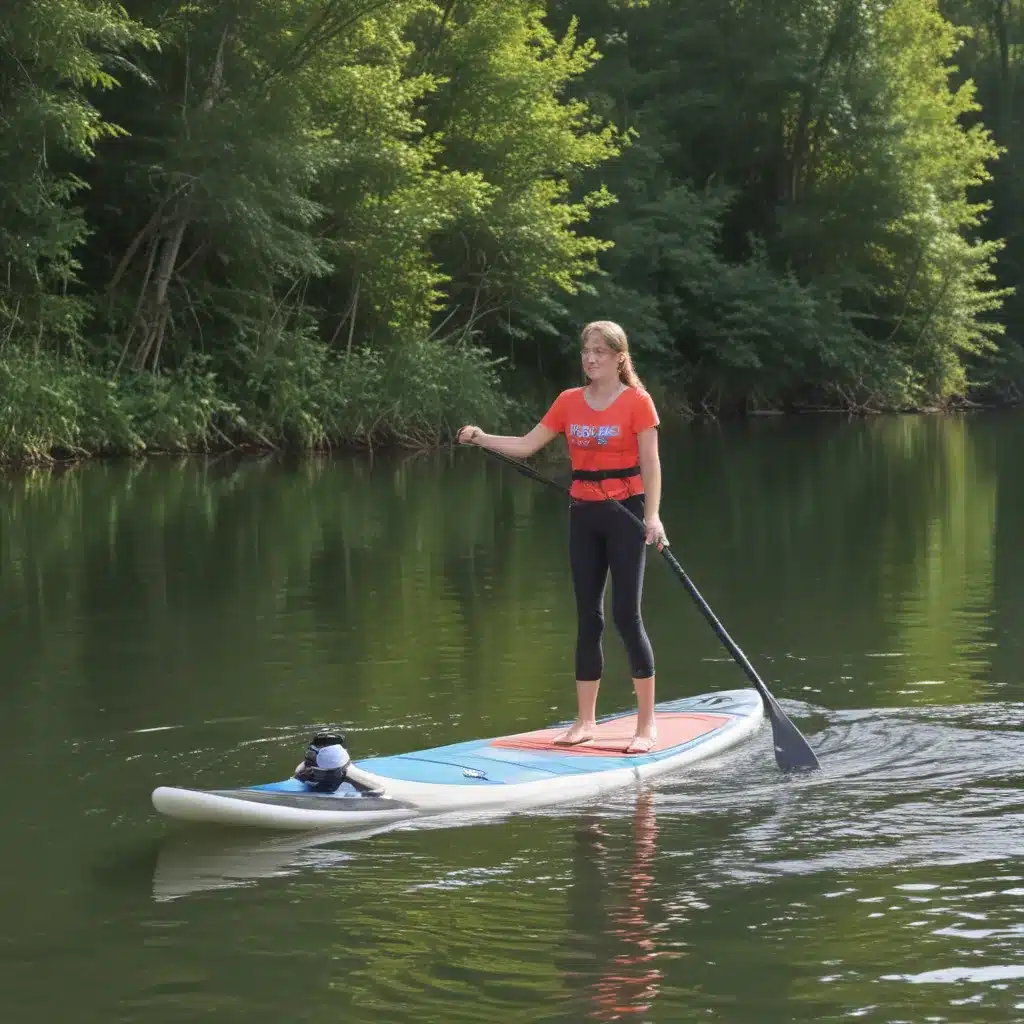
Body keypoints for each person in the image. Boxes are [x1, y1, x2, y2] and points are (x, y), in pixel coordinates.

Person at [457, 320, 667, 753]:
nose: (590, 358)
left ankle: (646, 727)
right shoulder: (569, 402)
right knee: (588, 617)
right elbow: (526, 445)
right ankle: (585, 722)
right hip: (584, 514)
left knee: (627, 616)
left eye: (600, 352)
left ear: (619, 358)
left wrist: (653, 517)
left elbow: (651, 463)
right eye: (586, 351)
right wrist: (482, 439)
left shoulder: (638, 403)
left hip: (626, 514)